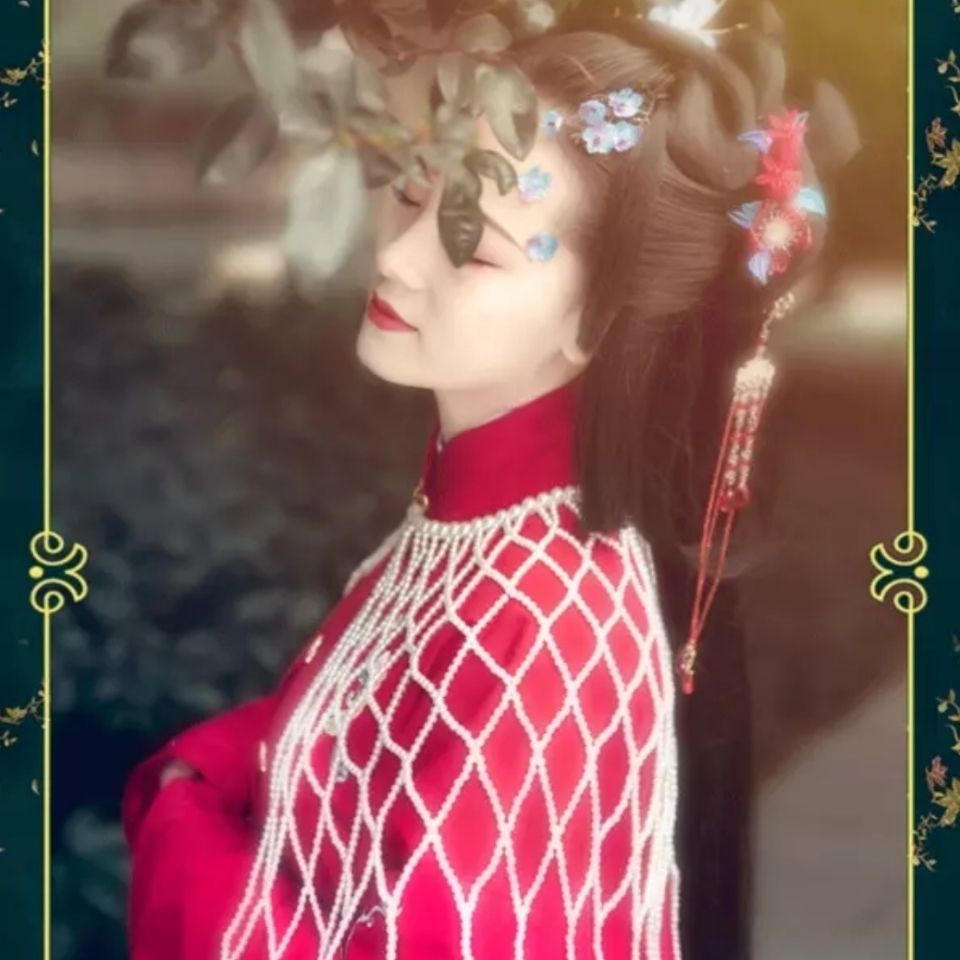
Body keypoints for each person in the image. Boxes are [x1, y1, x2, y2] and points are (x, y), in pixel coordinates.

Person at [120, 2, 858, 958]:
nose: (398, 256)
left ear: (599, 323)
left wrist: (181, 816)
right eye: (414, 189)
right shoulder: (479, 522)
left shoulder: (547, 625)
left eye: (474, 244)